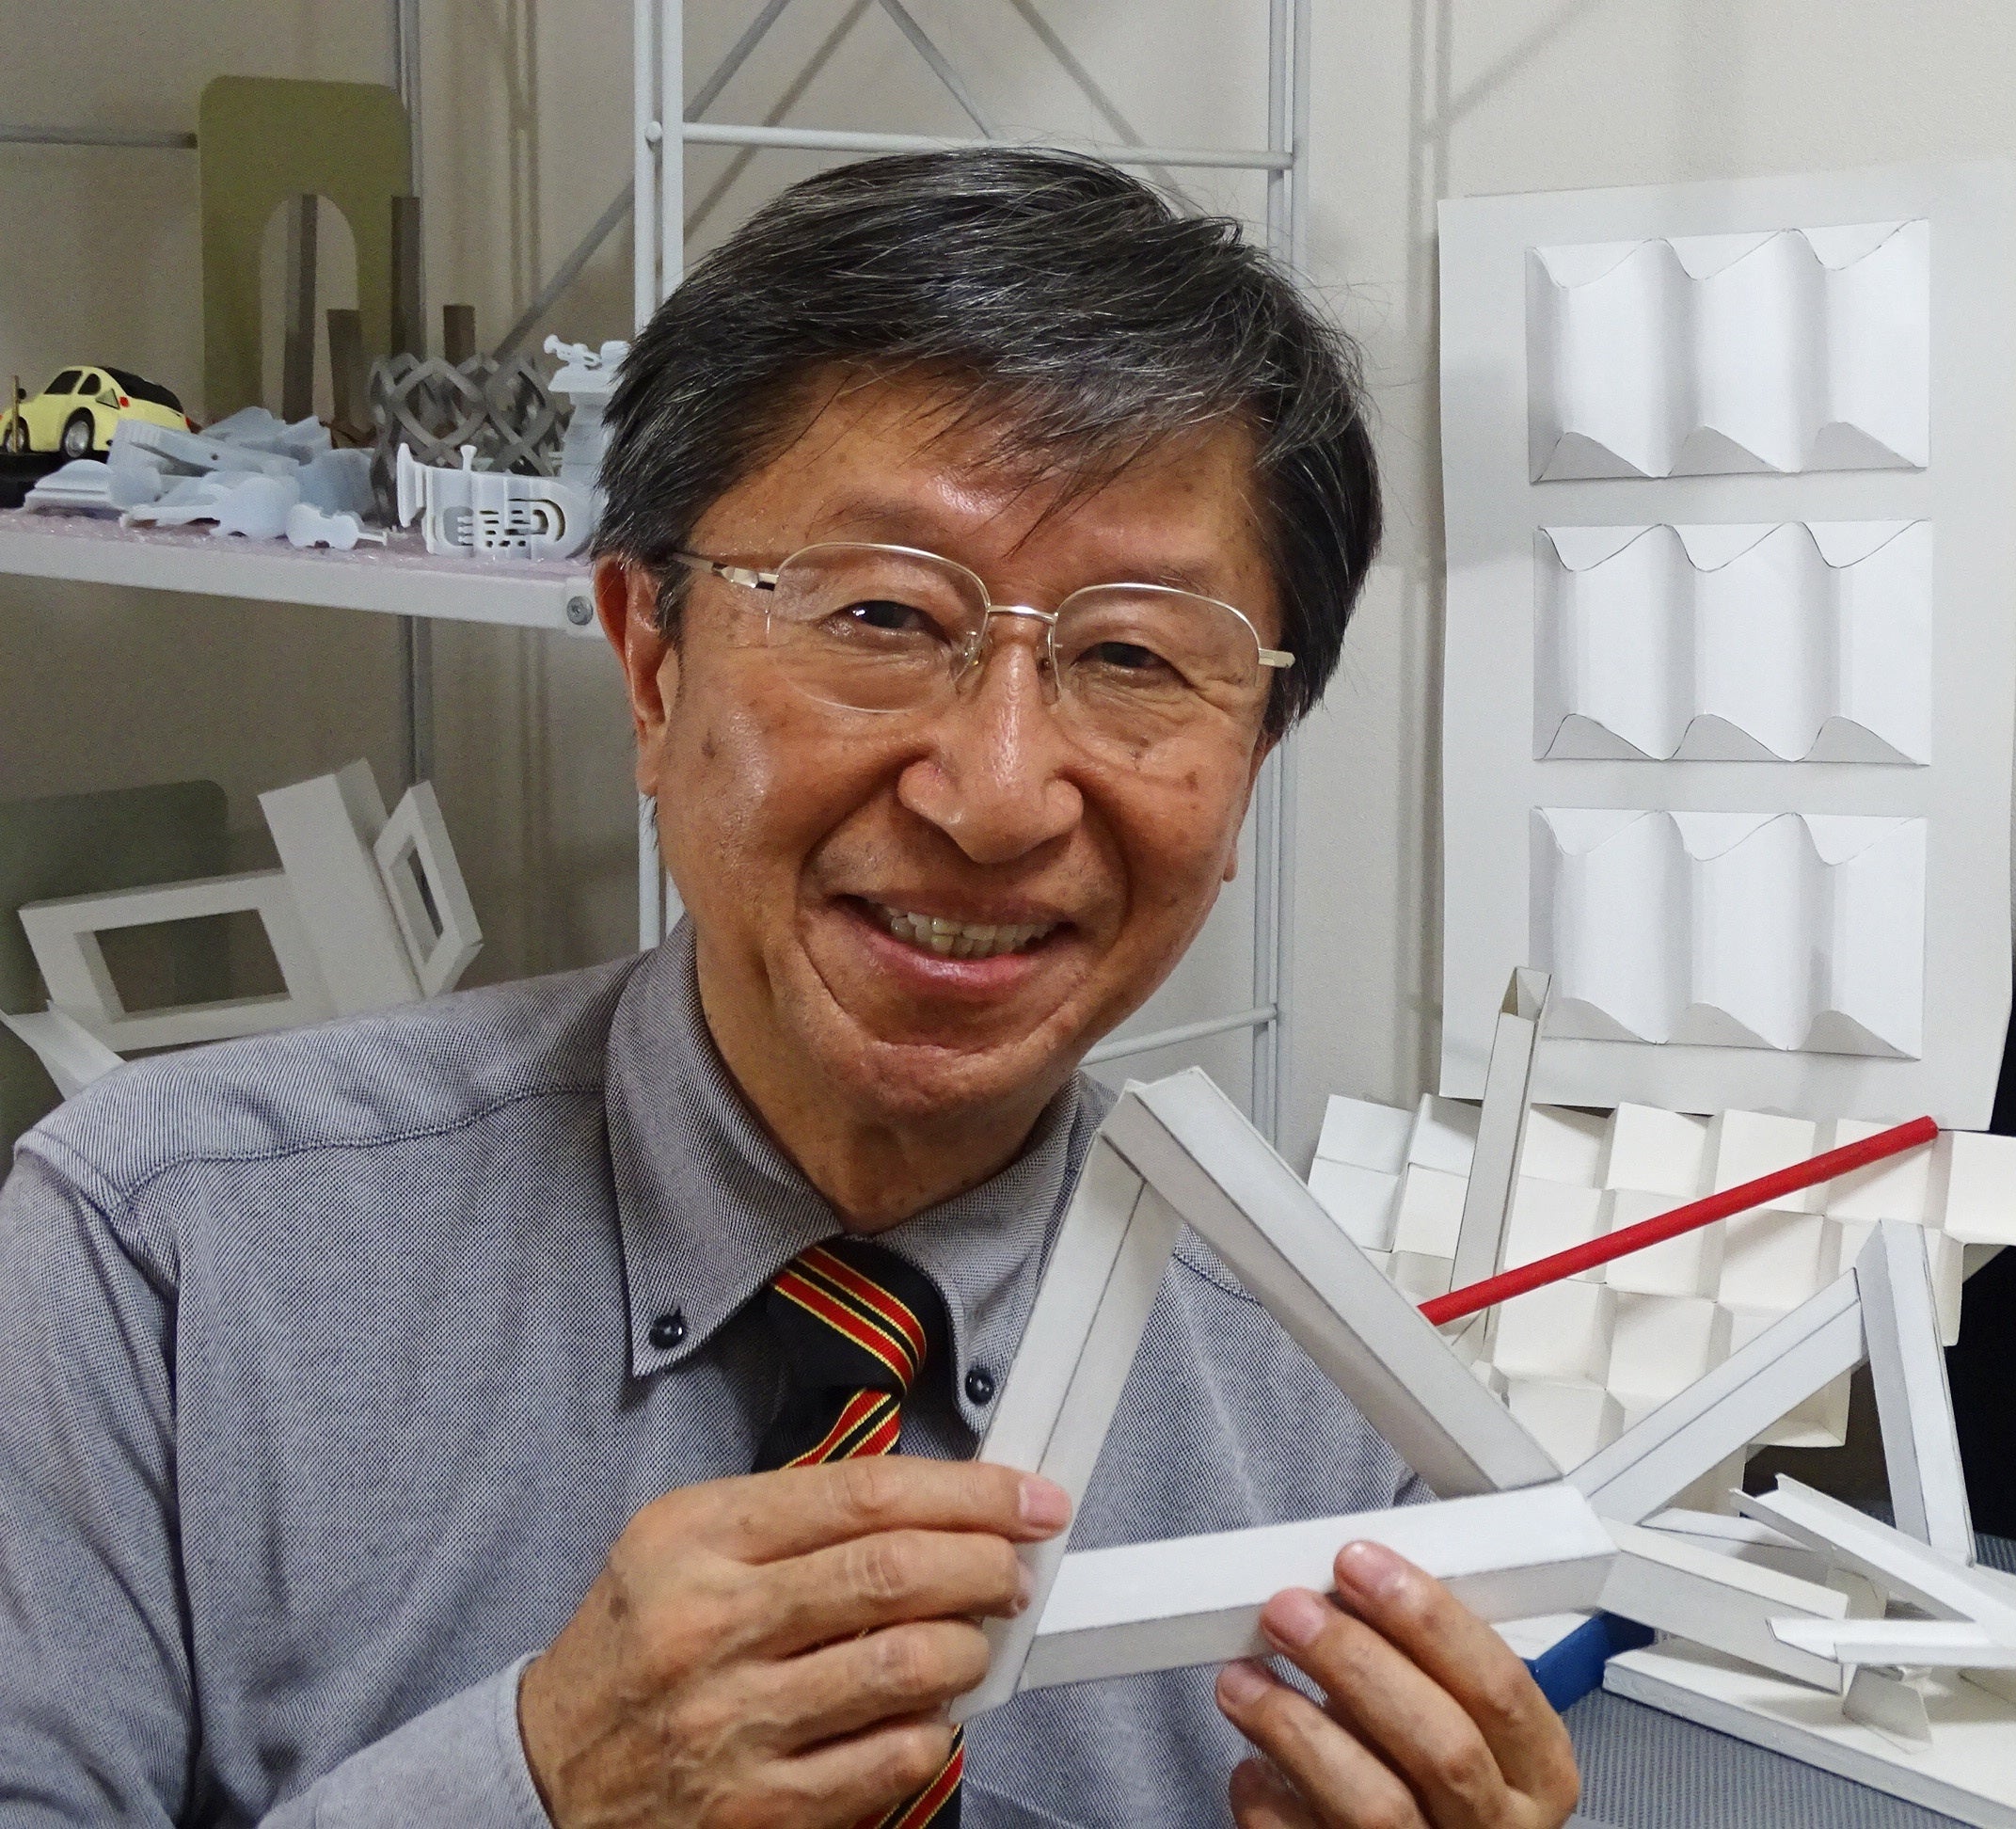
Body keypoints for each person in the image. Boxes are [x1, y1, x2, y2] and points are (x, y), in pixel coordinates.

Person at [0, 151, 1579, 1829]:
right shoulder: (163, 1255)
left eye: (1132, 656)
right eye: (883, 614)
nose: (996, 796)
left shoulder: (1337, 1438)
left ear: (1250, 759)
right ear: (649, 659)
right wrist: (530, 1793)